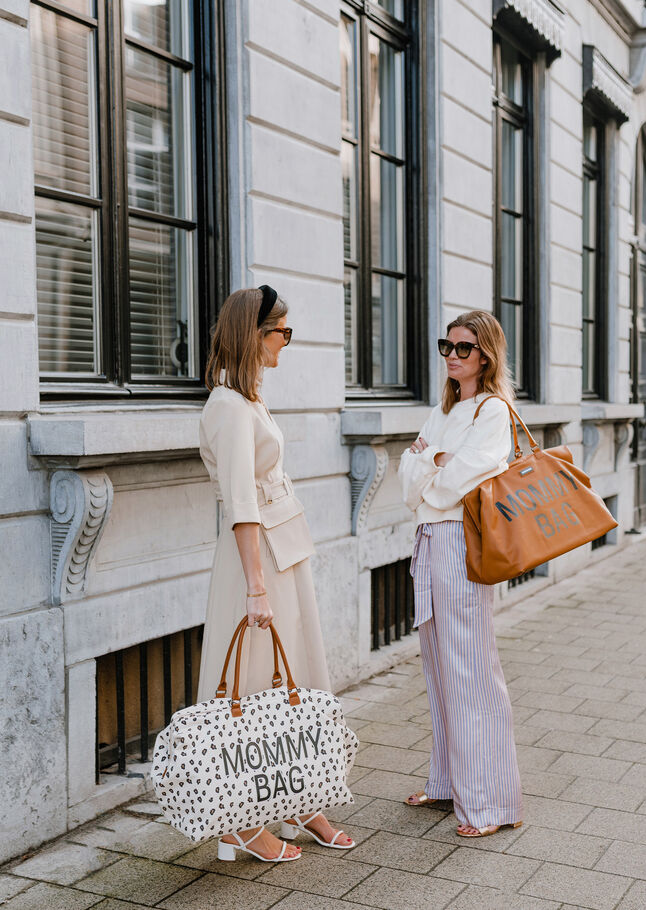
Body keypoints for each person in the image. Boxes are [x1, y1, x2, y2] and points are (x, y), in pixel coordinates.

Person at [197, 286, 354, 862]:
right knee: (251, 691)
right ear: (254, 333)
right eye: (281, 332)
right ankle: (238, 822)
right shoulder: (229, 406)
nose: (287, 342)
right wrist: (255, 587)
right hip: (256, 560)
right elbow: (241, 502)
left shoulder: (249, 399)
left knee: (292, 685)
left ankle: (294, 798)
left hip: (282, 552)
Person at [398, 310, 523, 838]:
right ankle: (449, 781)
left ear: (486, 356)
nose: (452, 355)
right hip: (429, 541)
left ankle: (490, 802)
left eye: (464, 348)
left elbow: (456, 484)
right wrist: (433, 464)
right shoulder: (443, 409)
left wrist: (431, 464)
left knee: (470, 669)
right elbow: (410, 482)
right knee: (439, 667)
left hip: (460, 543)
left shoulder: (492, 411)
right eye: (446, 346)